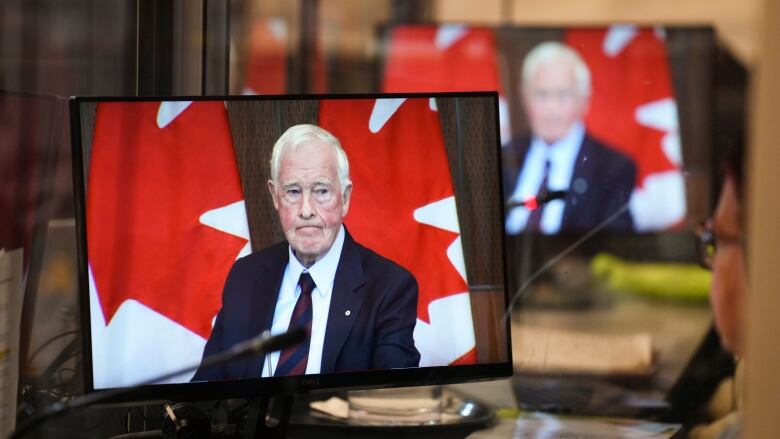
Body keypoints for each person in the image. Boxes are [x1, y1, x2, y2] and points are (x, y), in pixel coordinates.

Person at [192, 124, 420, 381]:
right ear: (275, 196)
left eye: (321, 191)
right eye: (293, 192)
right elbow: (207, 388)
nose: (306, 210)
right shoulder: (246, 276)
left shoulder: (389, 287)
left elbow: (393, 396)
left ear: (344, 198)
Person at [503, 41, 637, 235]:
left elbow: (616, 249)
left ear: (584, 101)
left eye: (562, 95)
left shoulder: (612, 167)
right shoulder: (503, 156)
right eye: (541, 94)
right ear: (524, 98)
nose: (551, 107)